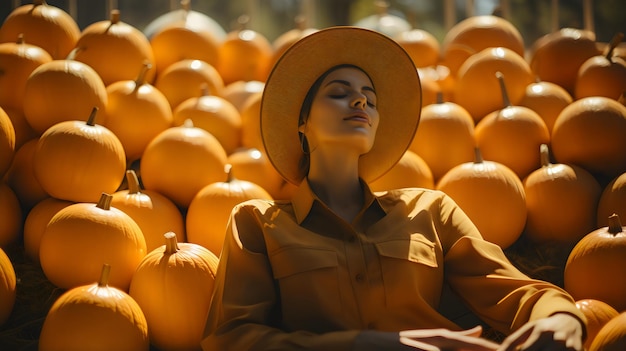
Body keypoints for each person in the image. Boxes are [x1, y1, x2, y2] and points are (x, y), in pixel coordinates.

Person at [201, 26, 586, 351]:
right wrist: (368, 344)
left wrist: (563, 318)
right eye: (339, 92)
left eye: (370, 97)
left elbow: (517, 292)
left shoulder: (430, 210)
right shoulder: (256, 222)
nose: (360, 101)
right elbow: (232, 337)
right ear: (302, 122)